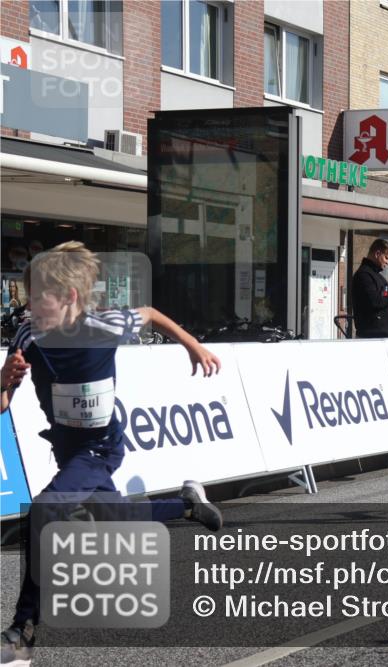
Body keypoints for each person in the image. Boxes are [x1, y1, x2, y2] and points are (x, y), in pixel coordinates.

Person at [0, 242, 224, 665]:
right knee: (118, 518)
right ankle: (188, 506)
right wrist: (2, 379)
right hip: (67, 450)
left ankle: (22, 631)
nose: (29, 306)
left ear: (69, 298)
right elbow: (2, 405)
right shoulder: (28, 335)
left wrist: (192, 345)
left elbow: (151, 314)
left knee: (44, 512)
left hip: (101, 447)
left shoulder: (107, 325)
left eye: (38, 297)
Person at [352, 239, 388, 338]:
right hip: (373, 339)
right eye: (386, 258)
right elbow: (374, 301)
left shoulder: (376, 275)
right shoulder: (364, 275)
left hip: (384, 337)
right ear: (377, 254)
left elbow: (383, 301)